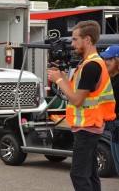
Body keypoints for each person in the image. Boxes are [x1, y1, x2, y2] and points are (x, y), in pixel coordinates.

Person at [47, 20, 116, 190]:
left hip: (88, 127)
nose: (72, 44)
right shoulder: (90, 64)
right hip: (89, 126)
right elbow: (75, 93)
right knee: (90, 173)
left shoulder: (91, 66)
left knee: (78, 174)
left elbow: (77, 100)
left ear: (87, 40)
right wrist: (61, 75)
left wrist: (58, 81)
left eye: (75, 39)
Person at [100, 45, 119, 176]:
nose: (105, 62)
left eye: (109, 59)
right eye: (104, 59)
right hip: (113, 126)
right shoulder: (111, 79)